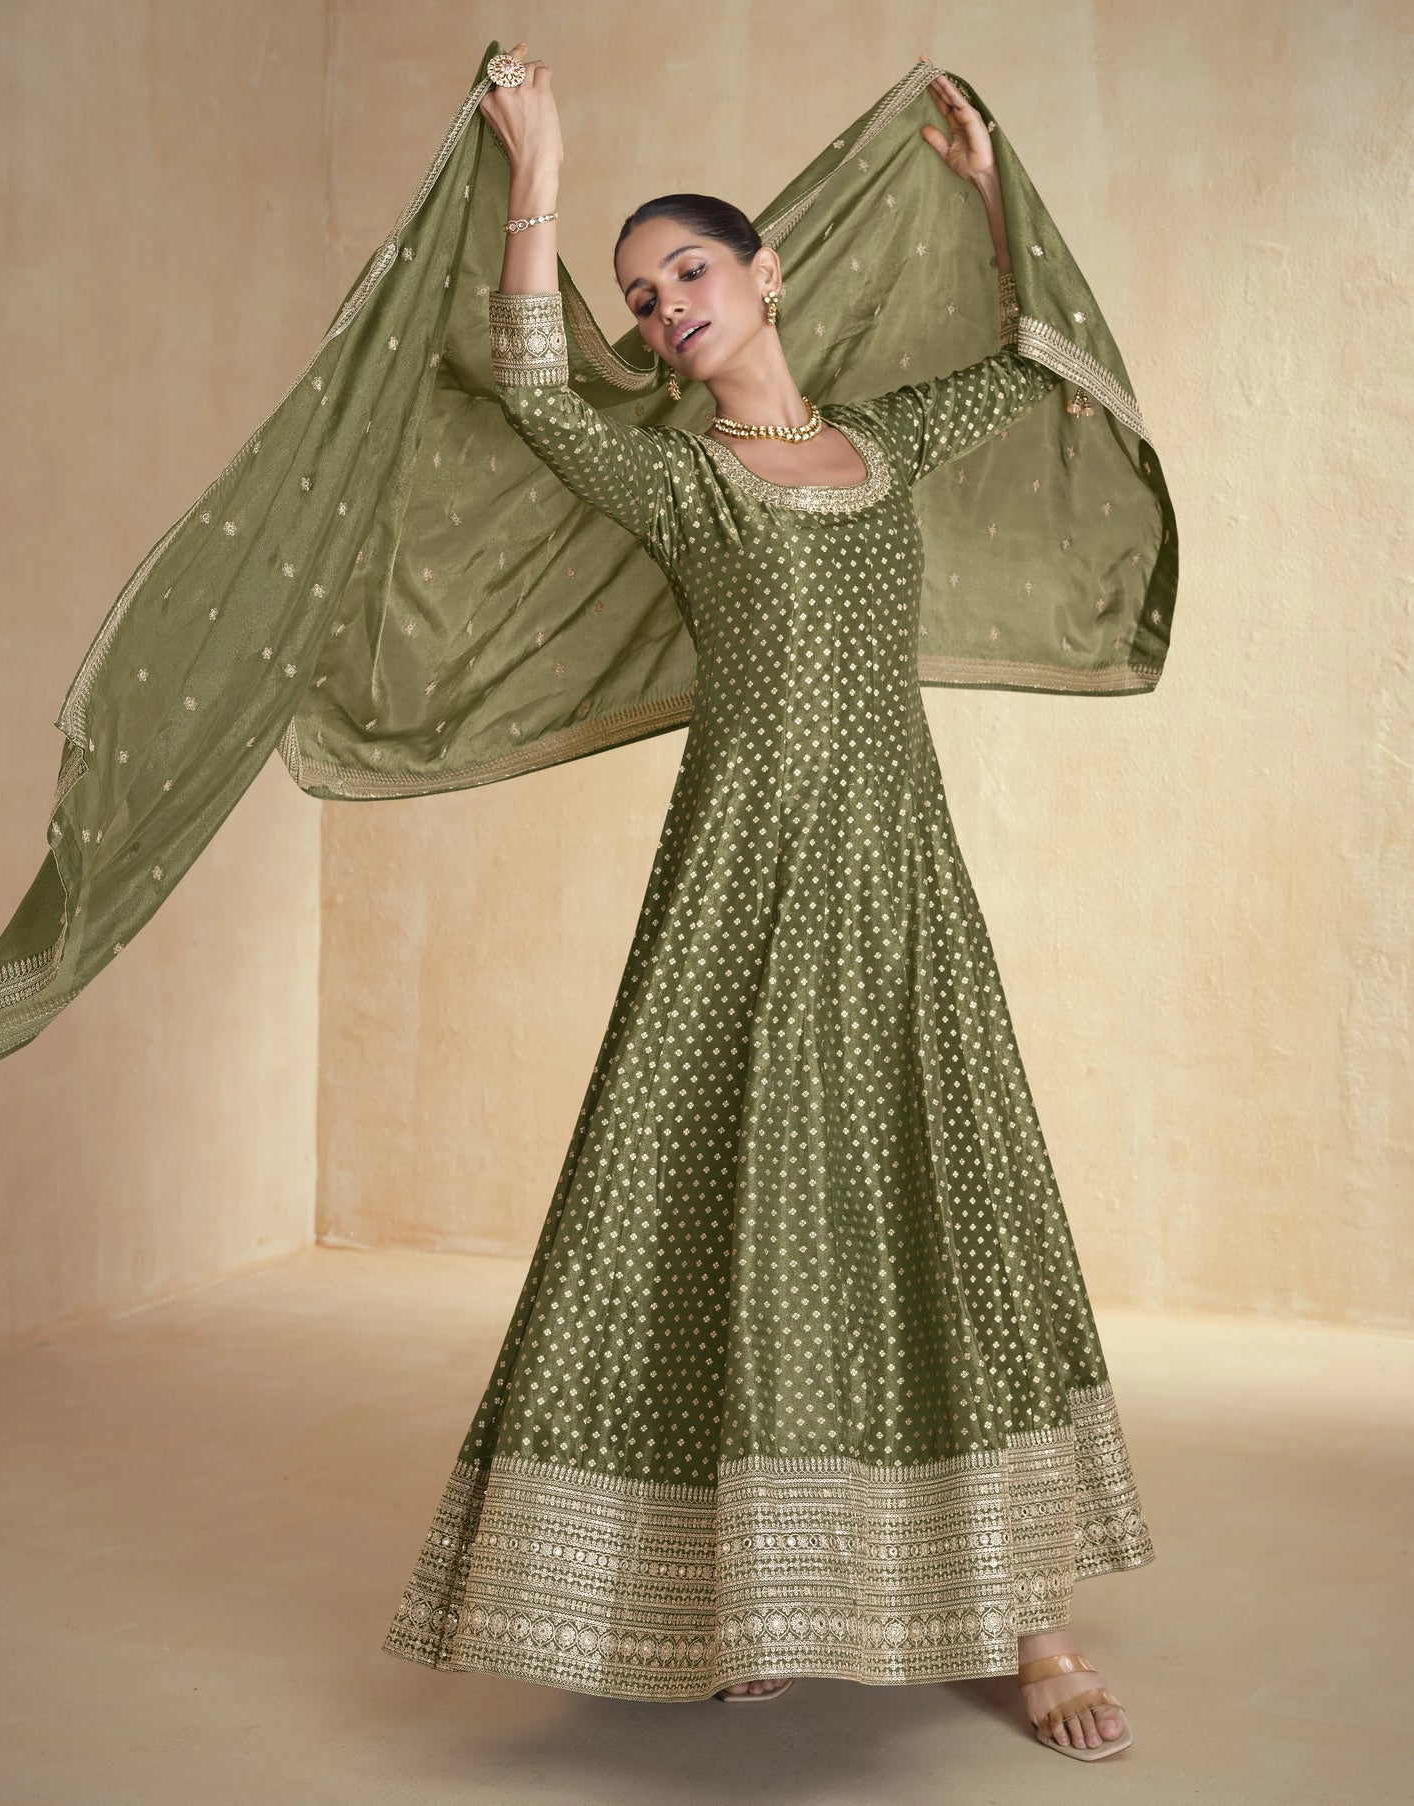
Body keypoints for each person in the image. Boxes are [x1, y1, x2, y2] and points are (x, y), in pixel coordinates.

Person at [374, 43, 1154, 1760]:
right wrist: (542, 186)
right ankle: (754, 1592)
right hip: (736, 880)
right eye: (644, 298)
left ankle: (1030, 1618)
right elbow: (531, 388)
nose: (664, 309)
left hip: (895, 887)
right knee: (725, 1206)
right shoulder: (676, 479)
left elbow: (1035, 361)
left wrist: (988, 197)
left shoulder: (883, 444)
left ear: (766, 272)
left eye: (691, 272)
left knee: (944, 1203)